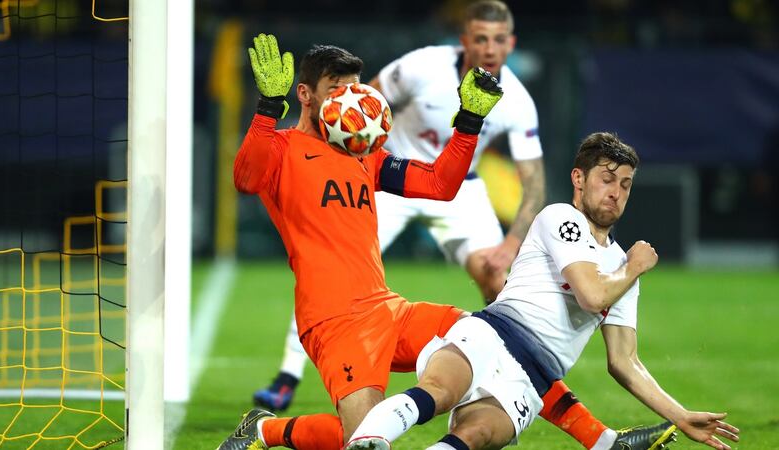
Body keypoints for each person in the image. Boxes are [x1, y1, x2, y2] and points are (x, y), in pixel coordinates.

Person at [254, 3, 669, 450]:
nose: (488, 48)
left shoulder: (516, 99)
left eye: (497, 40)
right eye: (480, 38)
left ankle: (596, 436)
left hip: (449, 191)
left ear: (510, 45)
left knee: (491, 321)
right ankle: (283, 384)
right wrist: (332, 135)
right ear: (465, 40)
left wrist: (511, 237)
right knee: (359, 422)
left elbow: (502, 180)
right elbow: (359, 105)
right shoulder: (420, 66)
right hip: (374, 196)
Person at [344, 132, 742, 450]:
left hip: (533, 381)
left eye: (625, 184)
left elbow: (624, 362)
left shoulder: (622, 266)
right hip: (492, 336)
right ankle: (367, 442)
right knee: (438, 391)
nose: (616, 192)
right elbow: (591, 295)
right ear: (579, 178)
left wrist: (680, 415)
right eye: (607, 179)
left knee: (475, 436)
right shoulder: (562, 218)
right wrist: (635, 268)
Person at [217, 33, 503, 450]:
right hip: (332, 321)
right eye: (335, 91)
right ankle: (265, 430)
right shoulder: (280, 148)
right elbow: (245, 179)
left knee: (484, 335)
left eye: (353, 90)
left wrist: (469, 122)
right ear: (305, 94)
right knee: (366, 439)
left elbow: (440, 185)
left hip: (386, 308)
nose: (346, 102)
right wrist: (266, 107)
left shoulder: (366, 155)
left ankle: (594, 437)